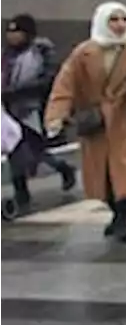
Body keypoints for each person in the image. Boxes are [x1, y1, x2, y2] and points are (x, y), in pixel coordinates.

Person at [45, 3, 126, 244]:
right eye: (113, 20)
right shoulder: (83, 53)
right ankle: (116, 213)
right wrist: (57, 114)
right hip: (97, 122)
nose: (119, 25)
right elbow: (66, 84)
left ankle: (124, 221)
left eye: (123, 19)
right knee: (104, 175)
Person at [0, 14, 76, 211]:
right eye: (10, 31)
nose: (12, 36)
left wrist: (17, 91)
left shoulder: (40, 52)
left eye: (17, 32)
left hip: (32, 108)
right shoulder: (6, 56)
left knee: (36, 150)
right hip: (10, 110)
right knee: (15, 150)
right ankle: (21, 193)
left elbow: (47, 80)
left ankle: (63, 167)